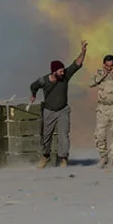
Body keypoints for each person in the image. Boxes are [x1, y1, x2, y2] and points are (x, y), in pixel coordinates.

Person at [29, 40, 88, 169]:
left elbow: (76, 64)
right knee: (46, 136)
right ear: (54, 71)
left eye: (63, 70)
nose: (63, 72)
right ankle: (45, 156)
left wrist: (83, 51)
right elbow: (33, 86)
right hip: (49, 111)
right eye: (60, 71)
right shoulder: (44, 80)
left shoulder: (65, 76)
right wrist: (33, 95)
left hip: (63, 110)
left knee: (64, 136)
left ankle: (63, 158)